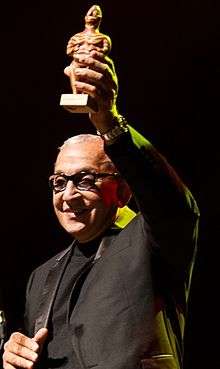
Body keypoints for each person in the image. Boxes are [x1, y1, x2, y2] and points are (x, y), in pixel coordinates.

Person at [2, 46, 199, 369]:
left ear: (122, 190)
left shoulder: (153, 241)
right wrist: (15, 356)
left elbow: (167, 198)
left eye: (84, 180)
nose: (68, 195)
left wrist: (110, 122)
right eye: (58, 182)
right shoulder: (42, 277)